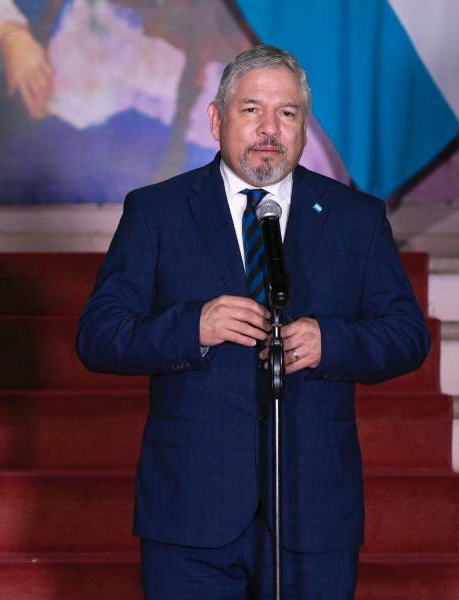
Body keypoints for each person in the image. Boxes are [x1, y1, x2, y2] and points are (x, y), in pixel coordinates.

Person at [76, 45, 429, 598]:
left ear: (304, 127)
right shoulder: (157, 211)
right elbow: (98, 335)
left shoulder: (355, 219)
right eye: (251, 110)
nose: (269, 129)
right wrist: (192, 325)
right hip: (189, 513)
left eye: (286, 113)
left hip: (313, 513)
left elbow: (407, 336)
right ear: (216, 119)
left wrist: (331, 340)